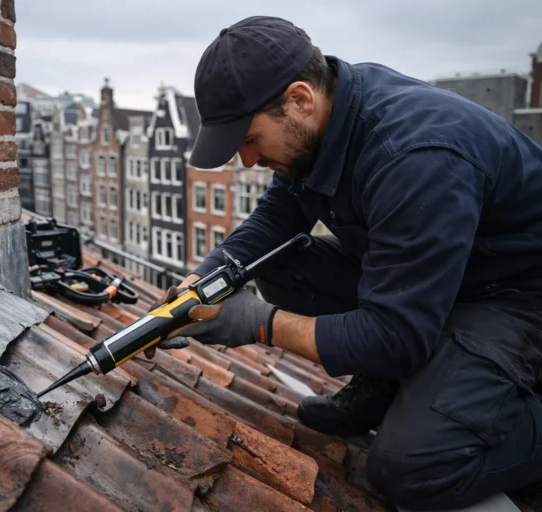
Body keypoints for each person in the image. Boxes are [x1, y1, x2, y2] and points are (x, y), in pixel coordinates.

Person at [148, 15, 542, 510]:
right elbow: (278, 216)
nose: (246, 160)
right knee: (268, 263)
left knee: (413, 467)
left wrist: (257, 323)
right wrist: (208, 277)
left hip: (512, 297)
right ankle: (383, 385)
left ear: (299, 99)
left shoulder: (414, 156)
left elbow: (396, 335)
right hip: (443, 278)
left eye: (249, 139)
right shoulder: (326, 120)